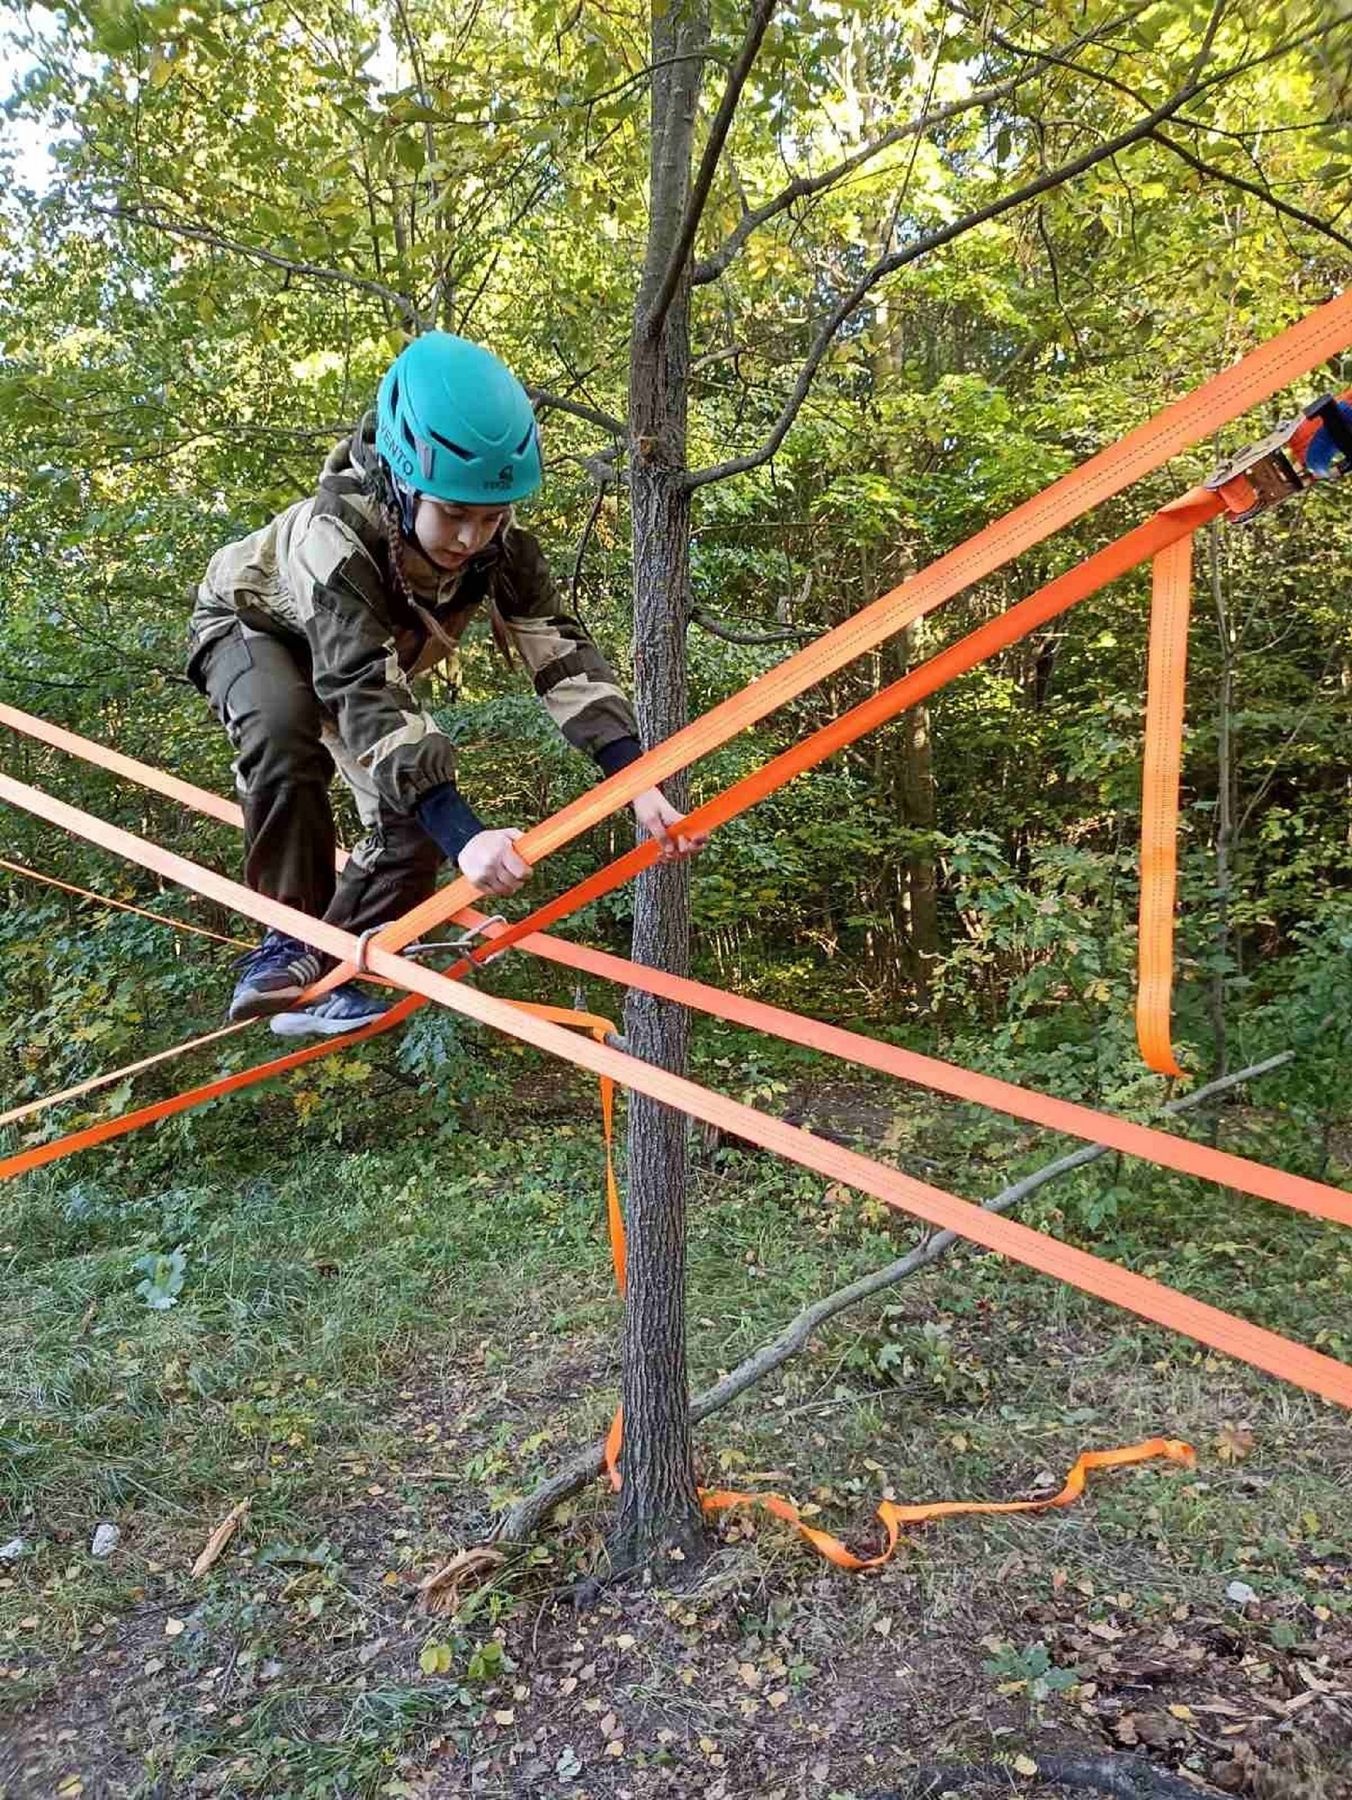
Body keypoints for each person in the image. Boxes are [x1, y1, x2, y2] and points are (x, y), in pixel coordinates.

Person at [188, 332, 703, 1038]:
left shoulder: (502, 548)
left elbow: (559, 654)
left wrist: (636, 781)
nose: (470, 537)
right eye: (453, 514)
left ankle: (337, 974)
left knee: (411, 823)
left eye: (488, 517)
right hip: (255, 628)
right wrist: (465, 834)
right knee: (283, 733)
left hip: (351, 659)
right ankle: (286, 941)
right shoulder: (334, 537)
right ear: (401, 482)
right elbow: (362, 686)